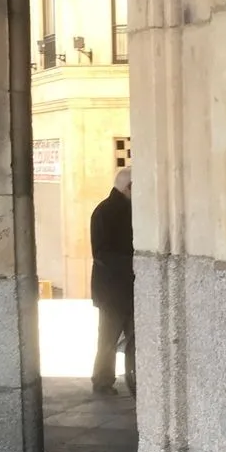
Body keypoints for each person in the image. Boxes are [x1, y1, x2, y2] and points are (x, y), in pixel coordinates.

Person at [90, 166, 135, 395]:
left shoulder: (129, 210)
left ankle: (137, 380)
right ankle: (102, 381)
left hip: (128, 288)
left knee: (135, 339)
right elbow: (101, 254)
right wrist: (133, 263)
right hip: (111, 291)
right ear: (129, 187)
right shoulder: (104, 212)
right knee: (108, 338)